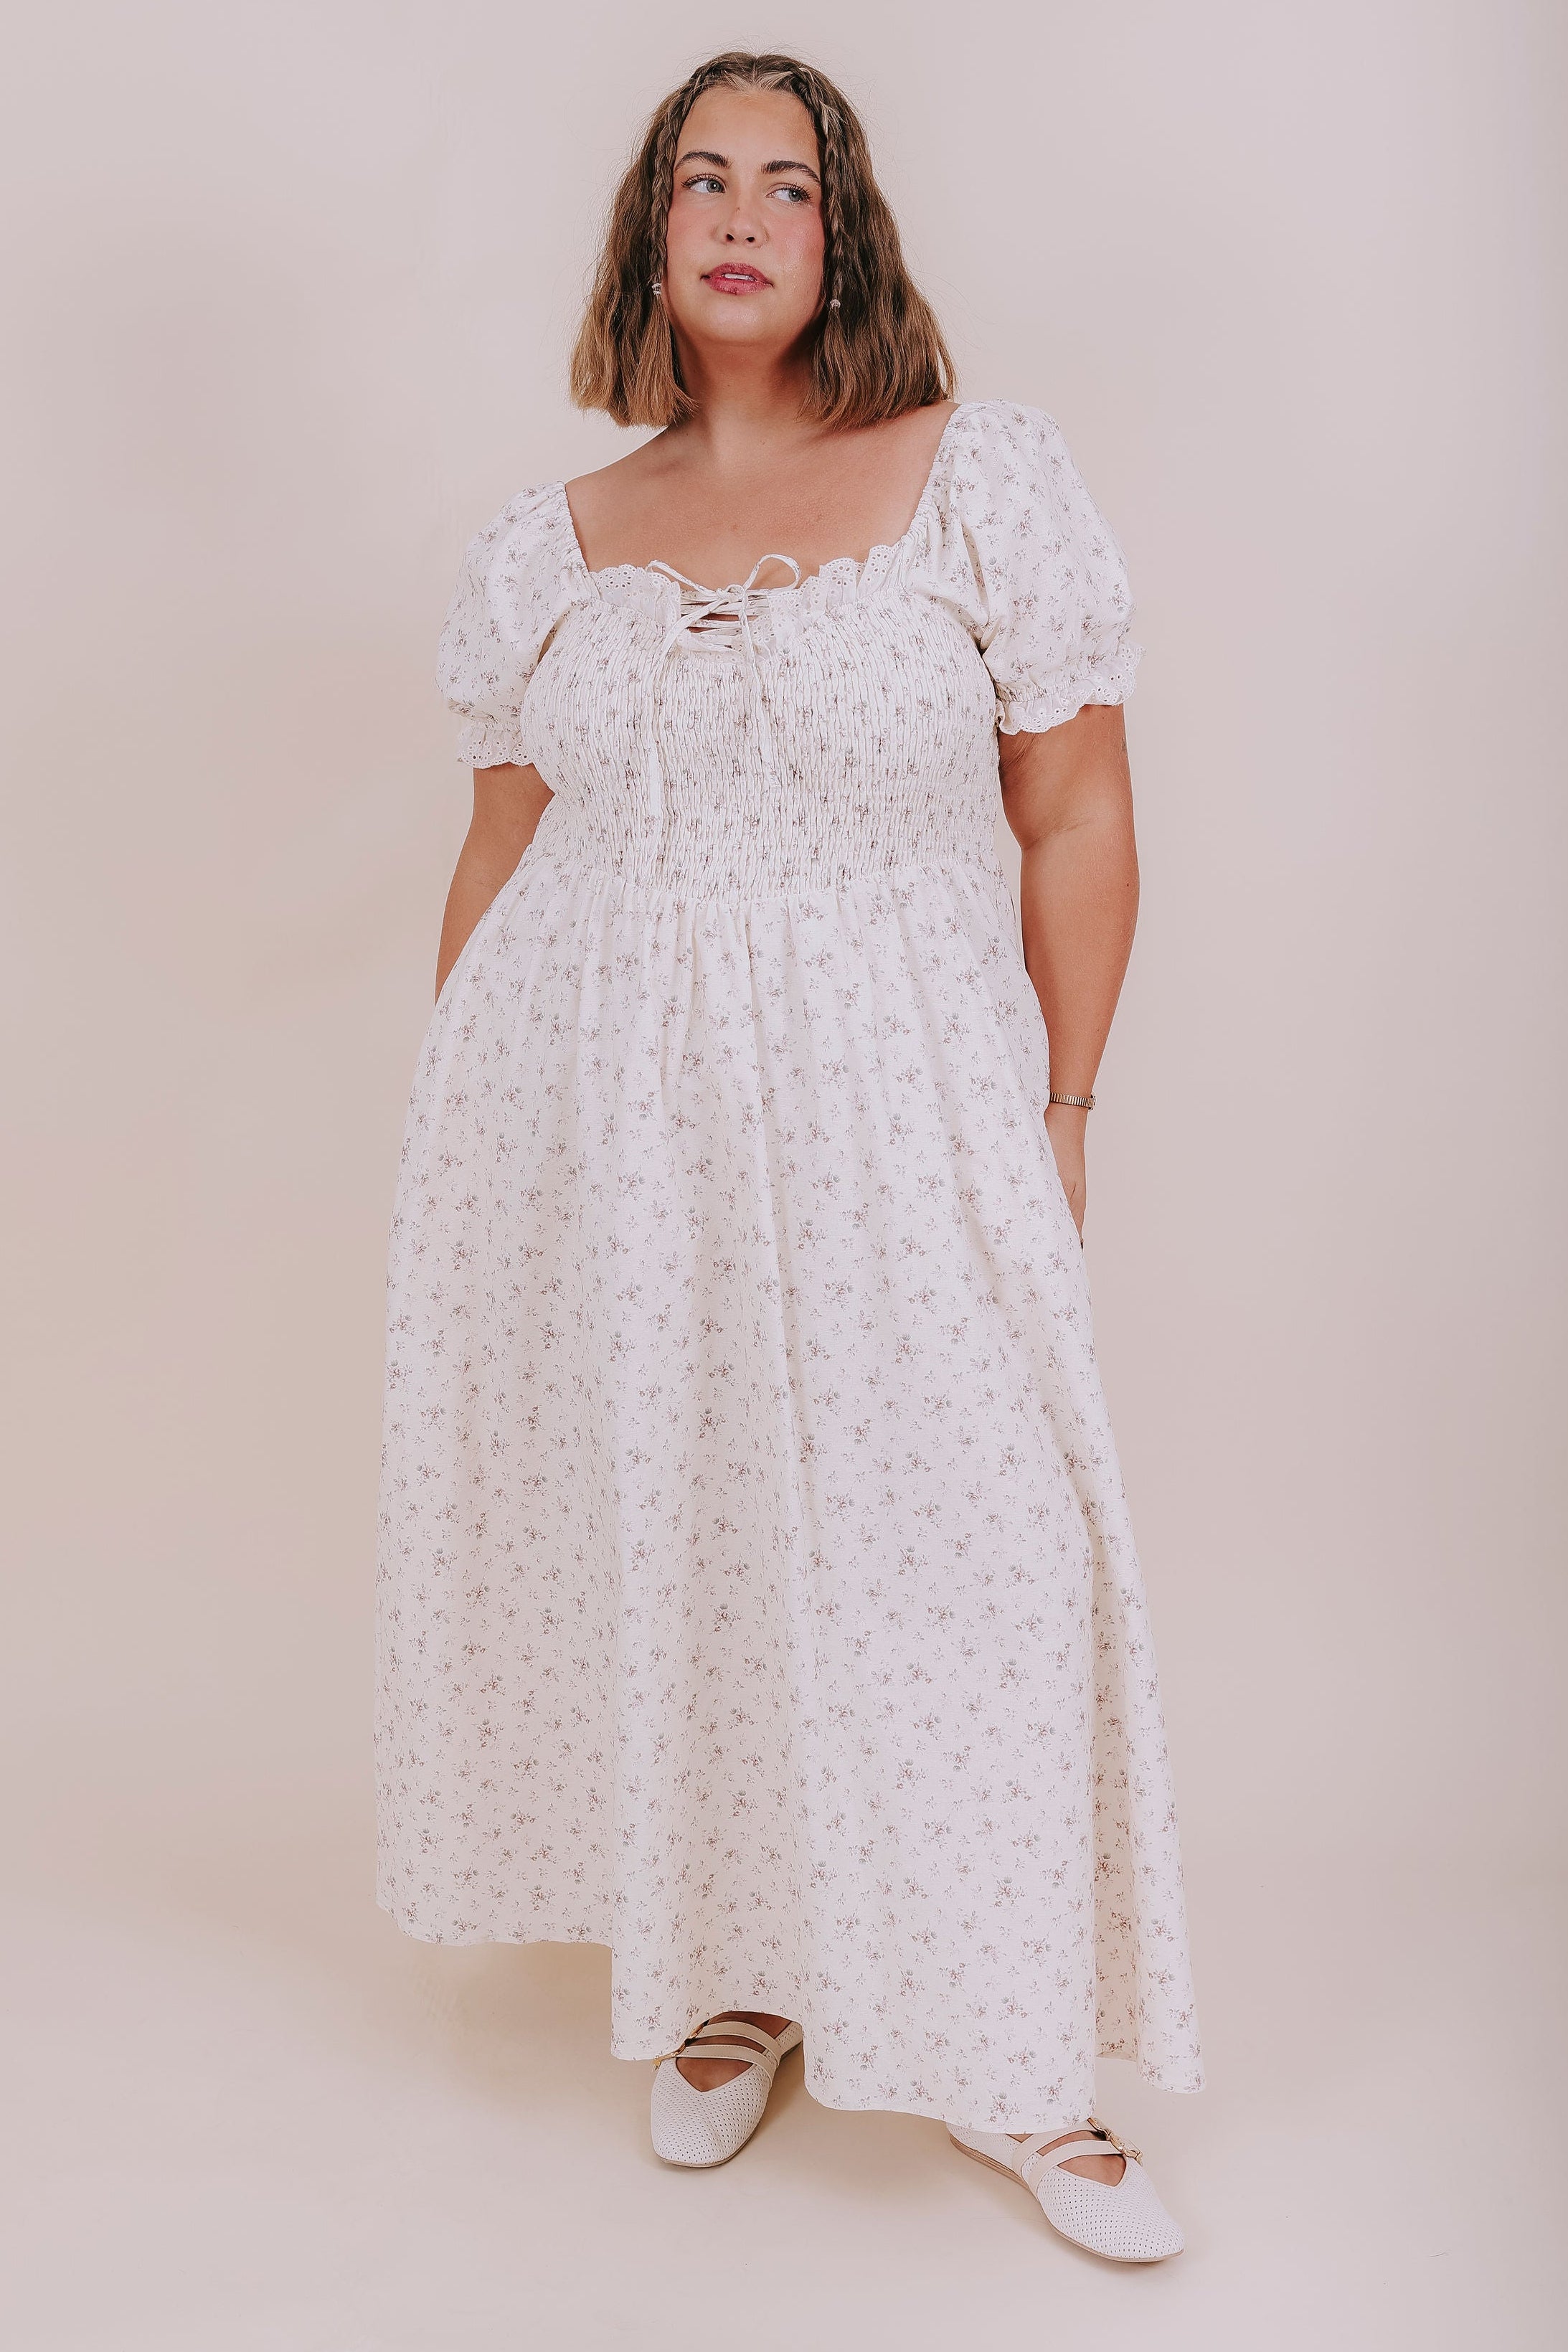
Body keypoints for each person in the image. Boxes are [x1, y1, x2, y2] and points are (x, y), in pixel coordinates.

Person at [375, 49, 1202, 2264]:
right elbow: (496, 855)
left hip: (904, 1110)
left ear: (845, 241)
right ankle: (735, 1974)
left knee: (970, 1541)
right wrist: (467, 1144)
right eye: (702, 183)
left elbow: (1076, 811)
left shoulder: (974, 481)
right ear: (651, 232)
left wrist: (1062, 1105)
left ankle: (1018, 2057)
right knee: (689, 1534)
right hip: (602, 1145)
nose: (743, 217)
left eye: (791, 187)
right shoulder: (541, 551)